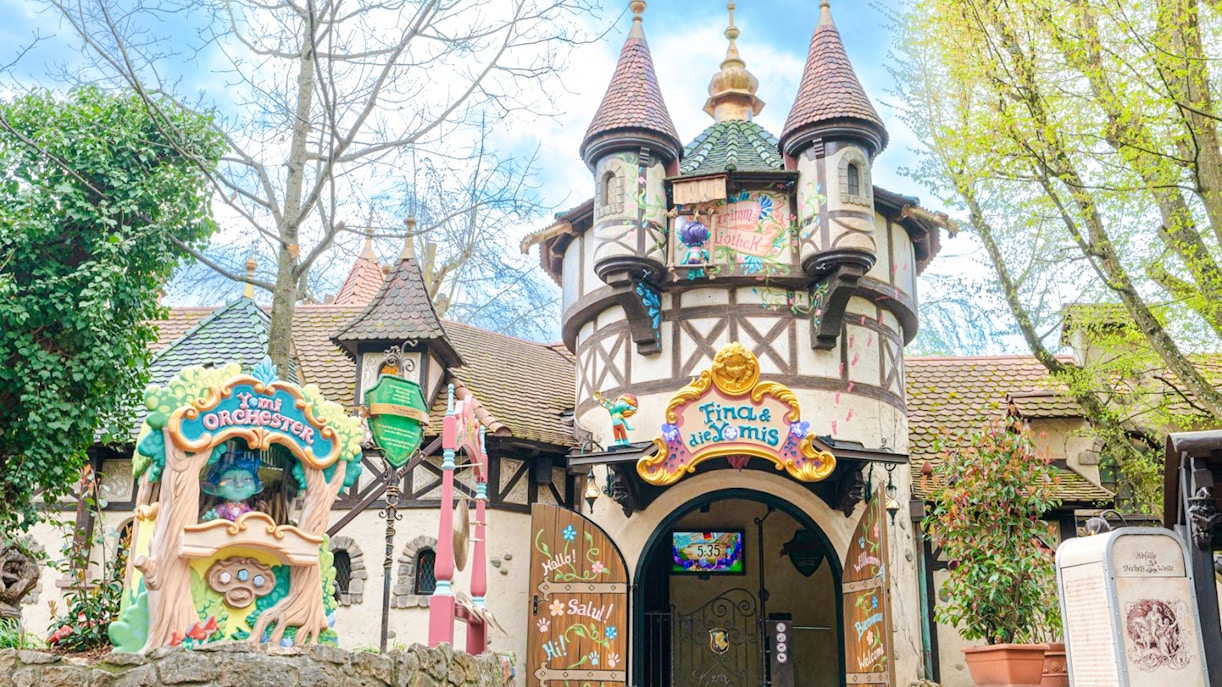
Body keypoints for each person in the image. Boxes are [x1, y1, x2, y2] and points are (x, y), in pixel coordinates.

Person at [200, 447, 265, 521]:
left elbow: (253, 518)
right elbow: (217, 514)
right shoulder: (223, 508)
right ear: (214, 487)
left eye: (247, 479)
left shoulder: (246, 508)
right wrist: (213, 517)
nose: (239, 484)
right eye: (229, 480)